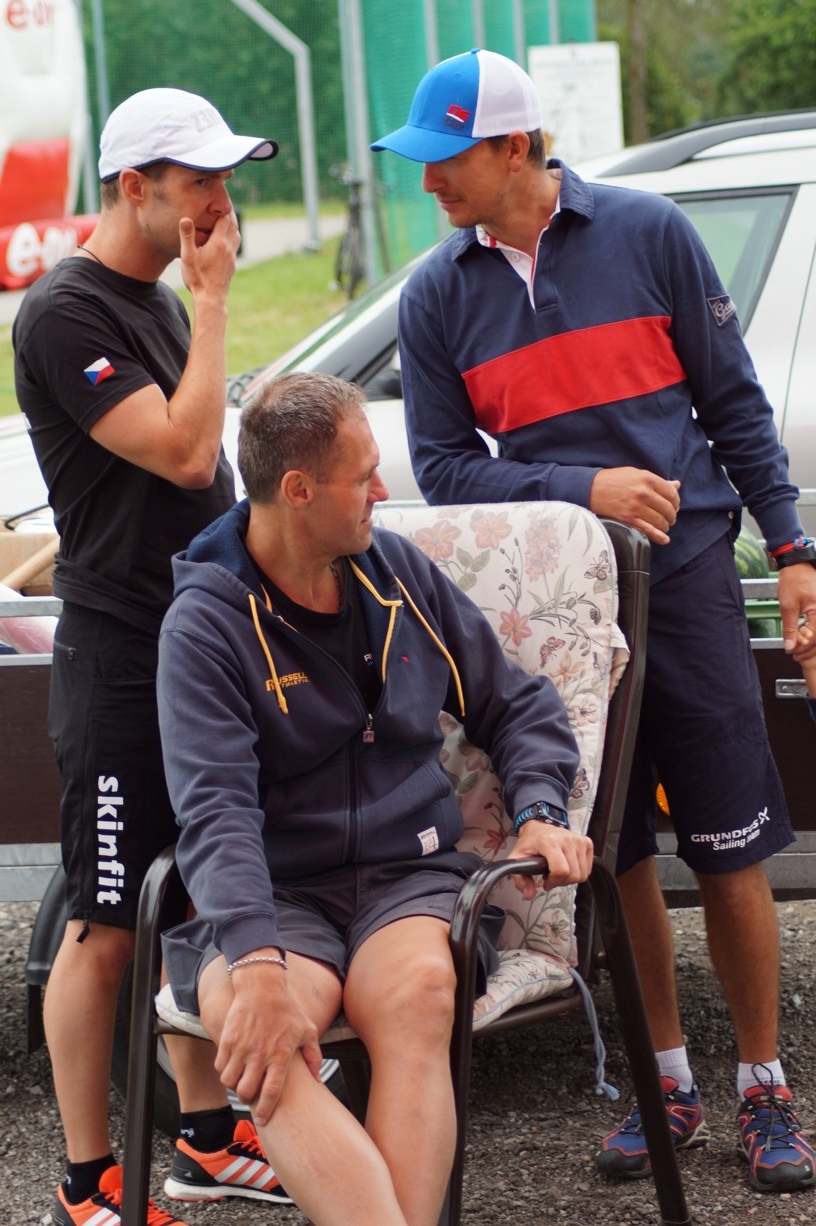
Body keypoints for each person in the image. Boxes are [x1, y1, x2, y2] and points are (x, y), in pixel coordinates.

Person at [370, 48, 816, 1195]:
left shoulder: (651, 233)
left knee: (731, 841)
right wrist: (584, 489)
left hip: (693, 577)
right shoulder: (435, 294)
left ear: (515, 147)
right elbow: (442, 467)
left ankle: (765, 1086)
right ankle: (666, 1083)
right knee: (612, 851)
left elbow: (735, 405)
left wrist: (794, 551)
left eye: (446, 157)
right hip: (558, 607)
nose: (429, 181)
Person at [154, 370, 593, 1226]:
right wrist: (254, 964)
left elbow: (515, 703)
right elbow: (214, 810)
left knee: (422, 995)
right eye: (364, 477)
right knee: (261, 1030)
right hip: (277, 894)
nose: (383, 494)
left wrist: (540, 809)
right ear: (298, 490)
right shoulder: (205, 625)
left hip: (409, 875)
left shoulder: (395, 575)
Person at [12, 88, 286, 1225]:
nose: (221, 200)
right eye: (199, 180)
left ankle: (207, 1138)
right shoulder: (63, 312)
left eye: (227, 177)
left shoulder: (161, 301)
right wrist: (215, 302)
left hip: (195, 642)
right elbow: (181, 451)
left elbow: (212, 471)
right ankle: (87, 1181)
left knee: (201, 902)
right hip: (119, 653)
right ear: (134, 187)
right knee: (107, 922)